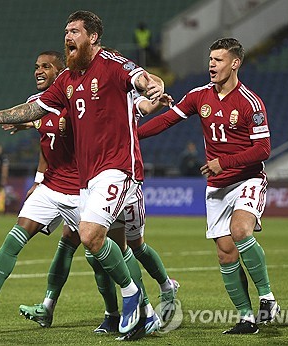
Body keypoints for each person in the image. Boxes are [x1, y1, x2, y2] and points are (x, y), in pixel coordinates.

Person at [0, 10, 165, 336]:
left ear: (92, 37)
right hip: (86, 179)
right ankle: (139, 309)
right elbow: (35, 108)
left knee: (95, 237)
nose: (68, 37)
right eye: (66, 31)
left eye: (75, 31)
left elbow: (144, 79)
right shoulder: (67, 81)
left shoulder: (111, 64)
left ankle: (133, 297)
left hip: (119, 169)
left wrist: (152, 87)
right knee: (105, 245)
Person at [137, 37, 280, 334]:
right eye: (210, 60)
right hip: (216, 187)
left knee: (241, 231)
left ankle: (267, 298)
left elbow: (263, 149)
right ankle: (246, 318)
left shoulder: (250, 103)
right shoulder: (198, 96)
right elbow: (166, 121)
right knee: (225, 253)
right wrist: (131, 134)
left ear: (235, 63)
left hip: (247, 179)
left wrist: (224, 163)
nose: (211, 65)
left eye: (218, 60)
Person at [18, 83, 179, 338]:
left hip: (124, 182)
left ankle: (162, 289)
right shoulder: (88, 99)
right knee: (99, 249)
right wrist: (31, 122)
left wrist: (155, 103)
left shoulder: (123, 95)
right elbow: (63, 120)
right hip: (93, 183)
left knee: (135, 247)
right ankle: (124, 314)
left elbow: (145, 106)